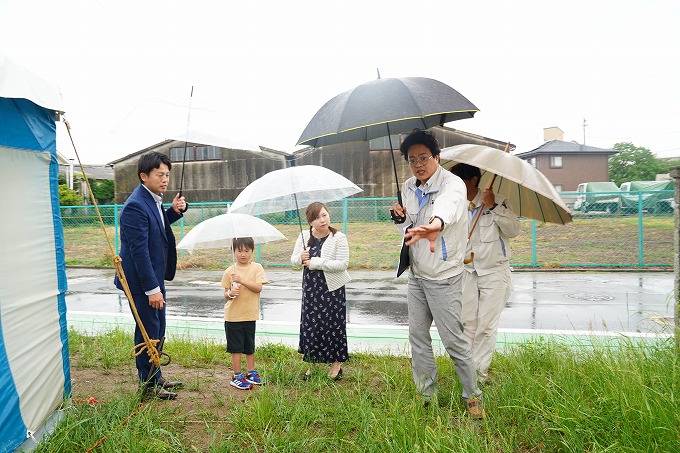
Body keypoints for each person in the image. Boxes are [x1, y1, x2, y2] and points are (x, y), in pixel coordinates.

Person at [389, 129, 483, 418]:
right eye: (412, 159)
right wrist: (400, 219)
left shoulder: (453, 184)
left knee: (453, 339)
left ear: (437, 157)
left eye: (424, 158)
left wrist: (436, 223)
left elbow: (450, 206)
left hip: (444, 276)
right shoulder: (407, 186)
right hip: (417, 274)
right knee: (417, 336)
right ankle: (426, 394)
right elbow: (409, 228)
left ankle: (473, 395)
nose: (418, 164)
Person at [114, 151, 187, 400]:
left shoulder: (152, 199)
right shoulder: (135, 204)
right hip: (141, 281)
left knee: (157, 324)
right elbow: (139, 252)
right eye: (159, 174)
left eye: (167, 174)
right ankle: (148, 384)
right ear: (144, 176)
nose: (165, 179)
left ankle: (155, 376)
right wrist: (151, 289)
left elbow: (156, 226)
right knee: (148, 328)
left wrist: (173, 212)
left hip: (153, 277)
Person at [450, 163, 520, 384]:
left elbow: (513, 230)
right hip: (467, 272)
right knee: (467, 323)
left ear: (472, 180)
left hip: (494, 273)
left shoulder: (498, 200)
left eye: (459, 183)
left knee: (486, 326)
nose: (455, 188)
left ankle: (478, 376)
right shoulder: (457, 205)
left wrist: (493, 207)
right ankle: (467, 371)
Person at [291, 202, 350, 381]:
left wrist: (315, 262)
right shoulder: (303, 236)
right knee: (312, 326)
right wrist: (300, 258)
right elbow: (293, 261)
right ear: (310, 221)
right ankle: (313, 364)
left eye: (324, 215)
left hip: (332, 289)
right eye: (317, 218)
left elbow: (343, 264)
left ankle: (336, 366)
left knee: (333, 326)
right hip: (311, 289)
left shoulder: (338, 237)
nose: (322, 220)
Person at [220, 237, 269, 390]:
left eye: (247, 251)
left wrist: (241, 281)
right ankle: (236, 375)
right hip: (233, 316)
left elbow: (258, 288)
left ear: (252, 251)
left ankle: (251, 372)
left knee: (249, 345)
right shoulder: (230, 271)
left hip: (250, 314)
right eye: (239, 251)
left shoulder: (257, 268)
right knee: (236, 347)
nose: (243, 254)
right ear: (234, 251)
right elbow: (226, 294)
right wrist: (231, 293)